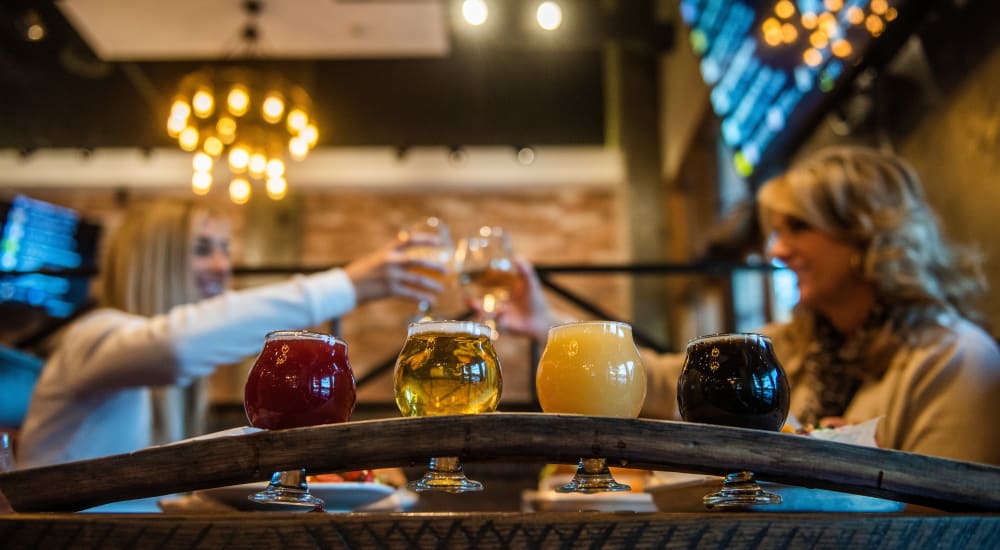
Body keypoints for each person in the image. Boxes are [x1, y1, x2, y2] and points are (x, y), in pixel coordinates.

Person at [499, 145, 1000, 466]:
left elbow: (950, 524)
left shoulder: (956, 359)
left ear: (867, 236)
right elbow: (658, 383)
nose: (776, 250)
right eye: (776, 232)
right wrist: (546, 324)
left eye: (798, 228)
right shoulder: (795, 344)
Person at [17, 199, 447, 468]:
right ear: (151, 261)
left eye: (224, 248)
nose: (223, 267)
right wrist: (346, 285)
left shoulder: (151, 368)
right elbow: (175, 346)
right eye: (202, 249)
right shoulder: (91, 336)